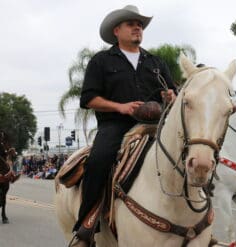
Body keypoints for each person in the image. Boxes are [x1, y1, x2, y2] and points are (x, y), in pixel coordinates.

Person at [69, 5, 176, 247]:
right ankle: (86, 225)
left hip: (157, 123)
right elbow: (88, 99)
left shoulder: (156, 61)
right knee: (99, 160)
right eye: (131, 24)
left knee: (189, 153)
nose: (137, 27)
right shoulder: (101, 61)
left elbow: (173, 90)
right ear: (117, 31)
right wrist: (121, 107)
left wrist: (171, 95)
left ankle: (200, 217)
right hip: (116, 125)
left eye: (139, 24)